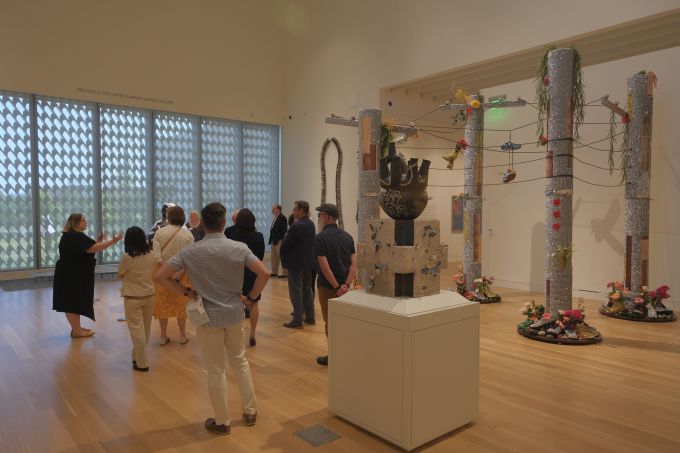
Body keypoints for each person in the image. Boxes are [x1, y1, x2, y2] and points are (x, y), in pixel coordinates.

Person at [154, 202, 270, 435]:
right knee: (240, 361)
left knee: (215, 369)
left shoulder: (190, 251)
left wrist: (186, 293)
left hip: (206, 317)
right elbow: (264, 273)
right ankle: (249, 411)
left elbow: (161, 276)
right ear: (224, 222)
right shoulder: (239, 248)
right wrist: (251, 297)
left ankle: (222, 420)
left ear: (203, 224)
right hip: (235, 313)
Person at [52, 213, 122, 338]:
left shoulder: (71, 235)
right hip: (71, 274)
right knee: (72, 302)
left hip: (69, 272)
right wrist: (113, 241)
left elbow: (85, 247)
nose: (86, 222)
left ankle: (76, 328)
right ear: (76, 223)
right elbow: (91, 248)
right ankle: (76, 330)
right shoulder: (75, 235)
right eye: (83, 220)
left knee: (73, 301)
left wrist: (98, 241)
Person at [313, 203, 357, 366]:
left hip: (328, 287)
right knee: (342, 321)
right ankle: (345, 352)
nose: (318, 219)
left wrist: (336, 287)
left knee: (330, 323)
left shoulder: (320, 238)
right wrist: (345, 285)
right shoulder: (347, 236)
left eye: (320, 215)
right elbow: (354, 265)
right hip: (345, 288)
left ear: (328, 217)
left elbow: (324, 266)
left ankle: (334, 356)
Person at [152, 205, 194, 345]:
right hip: (182, 275)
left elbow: (157, 257)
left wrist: (166, 273)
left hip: (162, 274)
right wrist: (178, 273)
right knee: (181, 304)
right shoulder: (188, 235)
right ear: (183, 218)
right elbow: (189, 257)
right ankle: (182, 335)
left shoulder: (159, 233)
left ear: (168, 218)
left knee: (163, 304)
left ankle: (163, 336)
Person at [117, 226, 156, 372]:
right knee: (145, 330)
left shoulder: (127, 257)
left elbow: (120, 274)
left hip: (132, 297)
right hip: (149, 295)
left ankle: (142, 362)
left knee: (136, 330)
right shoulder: (151, 254)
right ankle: (136, 356)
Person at [230, 209, 265, 346]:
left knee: (237, 304)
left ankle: (237, 334)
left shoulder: (232, 236)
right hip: (253, 274)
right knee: (254, 303)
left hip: (237, 273)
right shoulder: (259, 236)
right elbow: (260, 257)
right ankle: (252, 333)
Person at [280, 200, 316, 328]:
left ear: (301, 210)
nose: (293, 211)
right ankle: (311, 317)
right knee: (307, 290)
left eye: (295, 209)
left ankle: (297, 320)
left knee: (296, 291)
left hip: (295, 263)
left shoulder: (296, 226)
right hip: (308, 263)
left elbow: (286, 245)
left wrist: (283, 259)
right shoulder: (311, 224)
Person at [268, 204, 287, 278]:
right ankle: (274, 272)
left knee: (282, 256)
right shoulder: (275, 218)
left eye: (273, 208)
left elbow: (283, 230)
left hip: (279, 241)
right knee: (274, 257)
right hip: (273, 240)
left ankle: (285, 272)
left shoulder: (282, 218)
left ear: (278, 209)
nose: (272, 210)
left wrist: (280, 239)